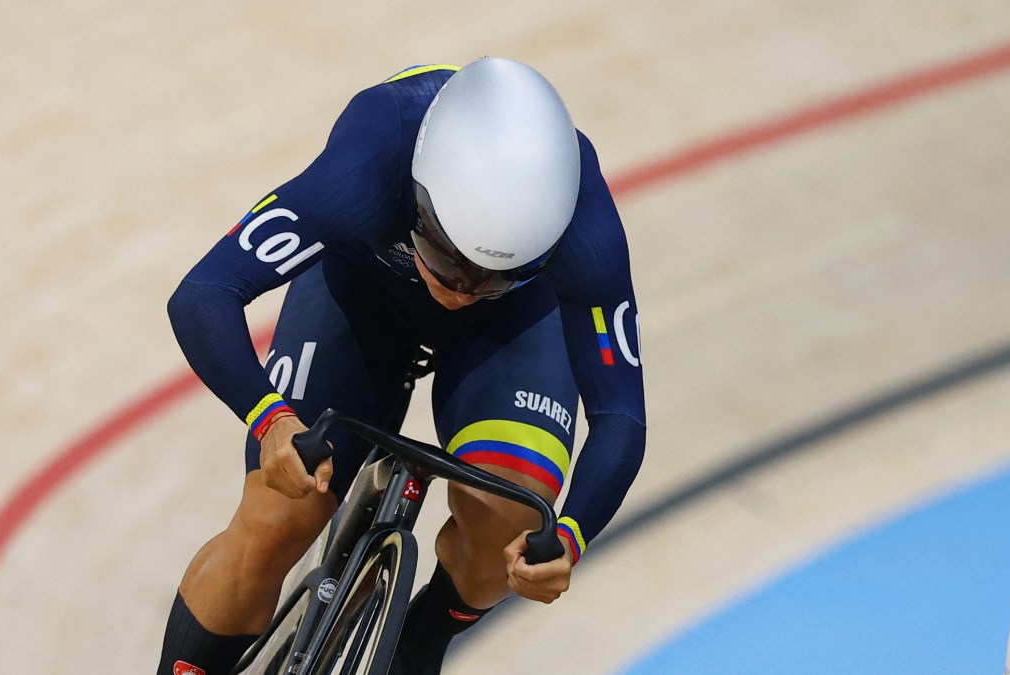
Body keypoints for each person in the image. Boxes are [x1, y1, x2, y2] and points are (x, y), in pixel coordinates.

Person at [157, 57, 646, 675]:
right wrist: (270, 419)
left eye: (495, 277)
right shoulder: (373, 153)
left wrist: (569, 537)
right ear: (417, 199)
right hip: (360, 295)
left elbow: (620, 414)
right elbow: (203, 295)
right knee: (276, 519)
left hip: (513, 326)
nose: (463, 290)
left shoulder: (585, 225)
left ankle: (421, 639)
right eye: (447, 259)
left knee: (510, 527)